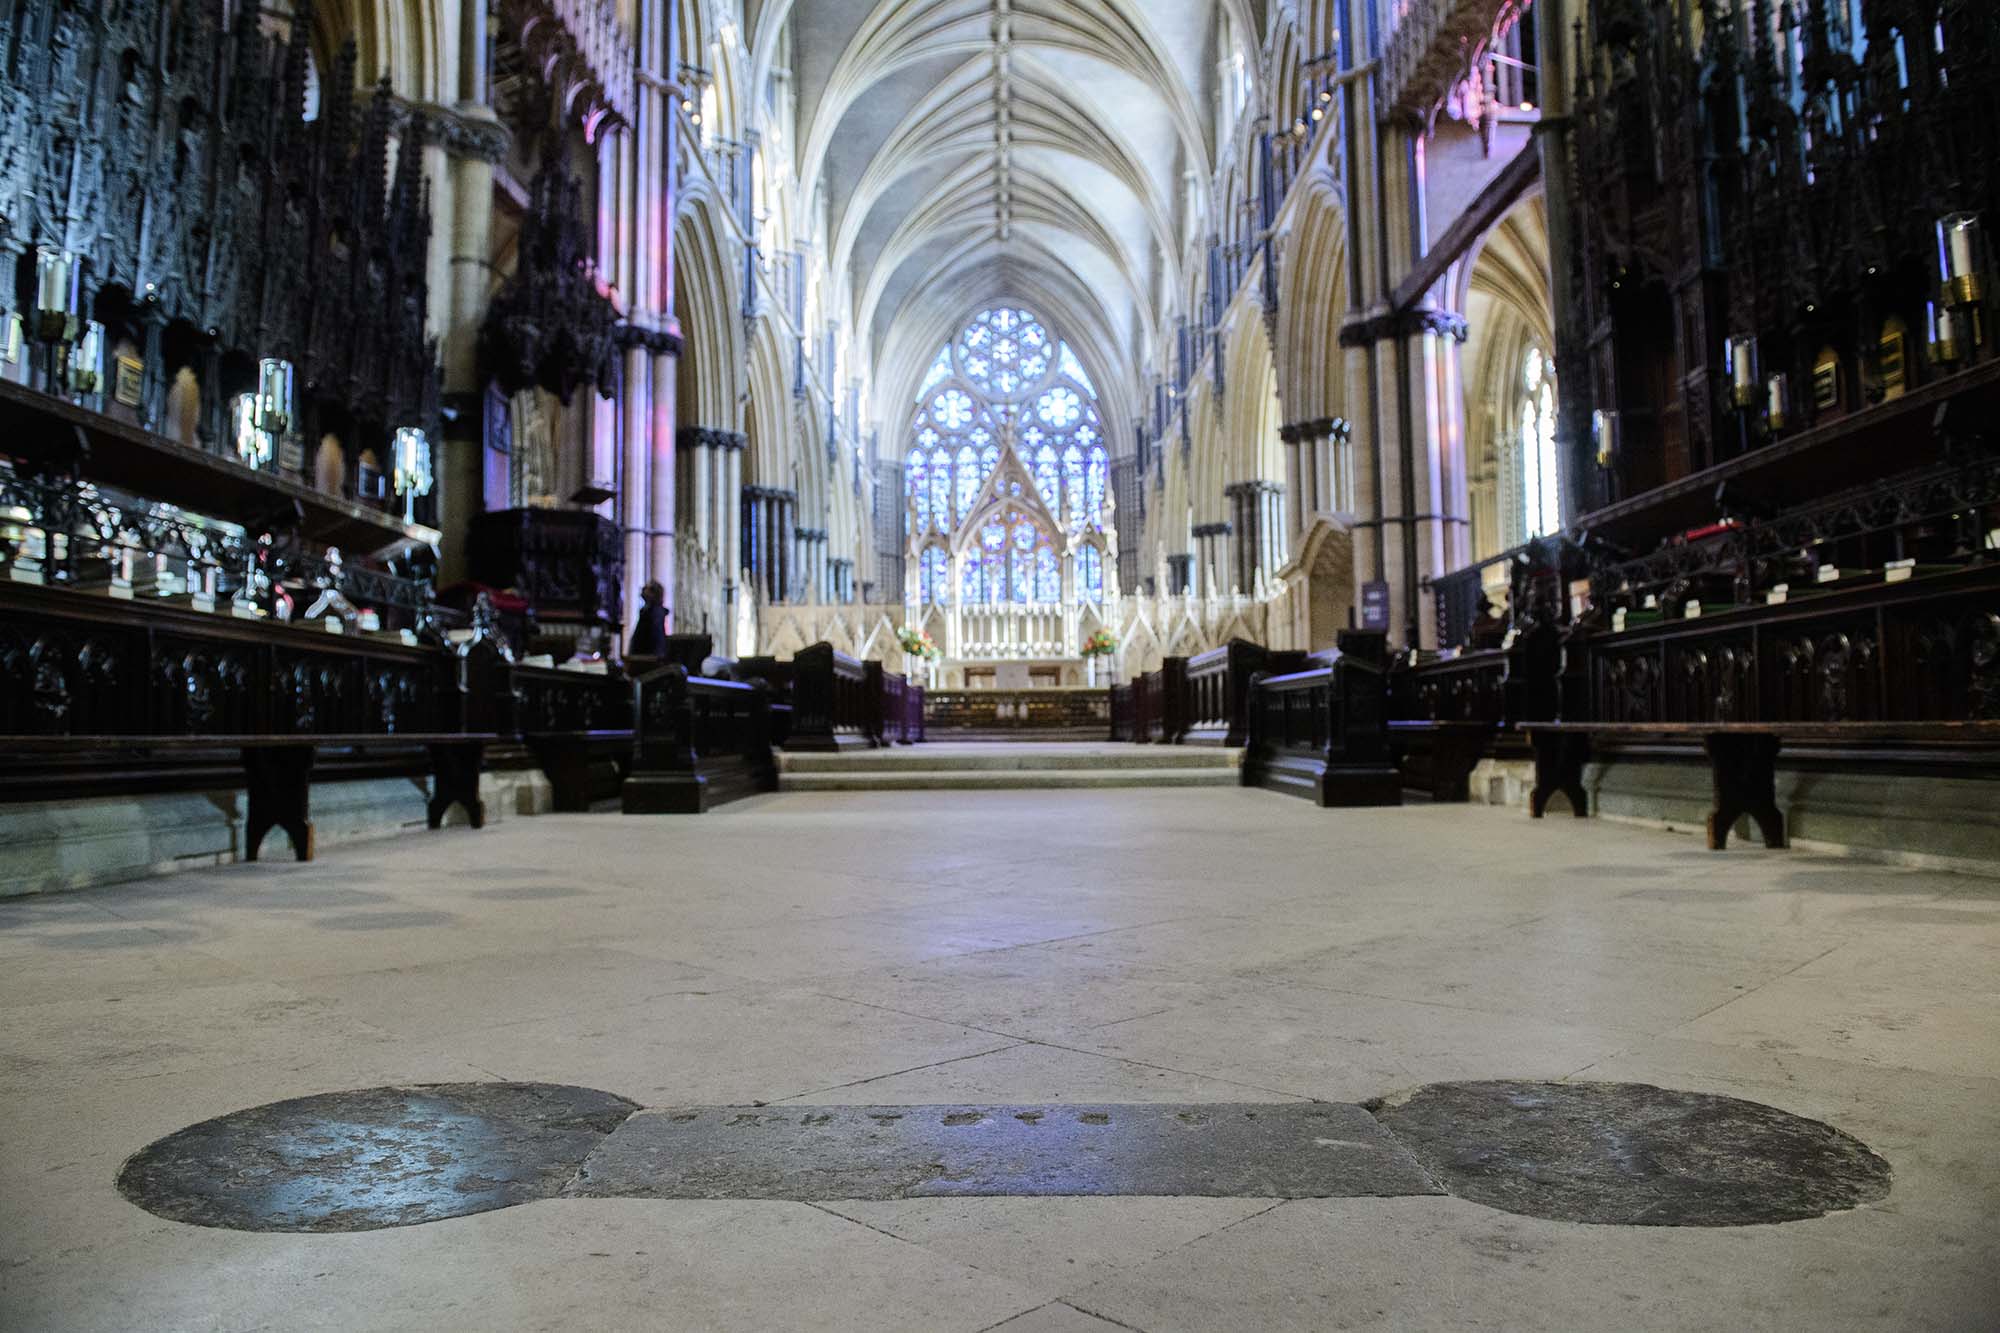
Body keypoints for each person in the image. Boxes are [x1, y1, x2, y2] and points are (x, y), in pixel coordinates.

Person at [627, 580, 671, 659]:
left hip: (648, 657)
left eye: (647, 588)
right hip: (642, 656)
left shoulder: (655, 612)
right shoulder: (647, 611)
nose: (643, 589)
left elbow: (656, 639)